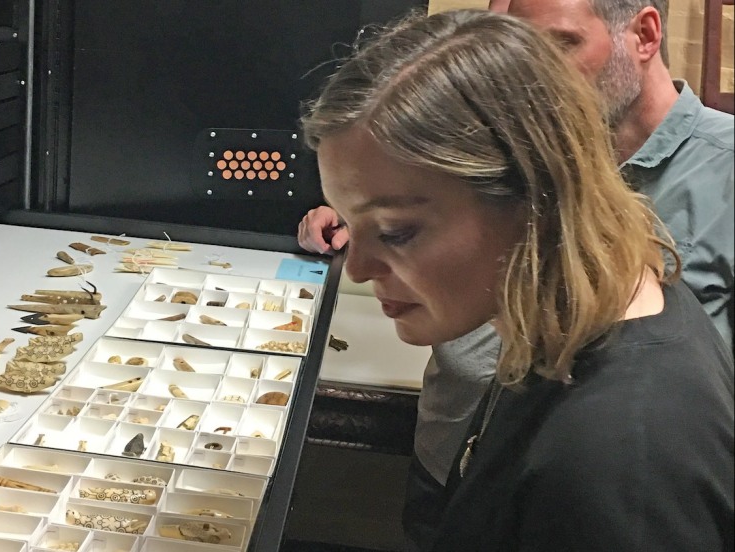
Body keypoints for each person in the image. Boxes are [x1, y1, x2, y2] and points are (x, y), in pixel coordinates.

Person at [298, 0, 734, 547]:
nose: (357, 269)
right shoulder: (567, 317)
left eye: (397, 232)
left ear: (533, 193)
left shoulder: (615, 459)